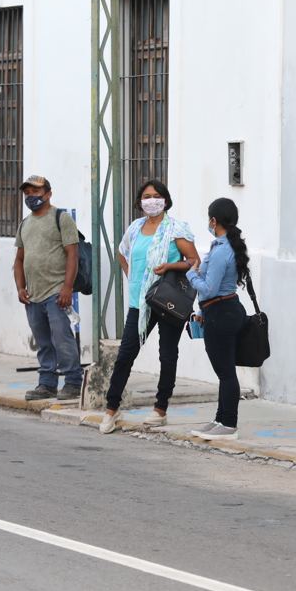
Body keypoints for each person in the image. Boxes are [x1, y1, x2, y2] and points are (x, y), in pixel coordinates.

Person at [100, 180, 199, 434]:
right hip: (139, 302)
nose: (151, 200)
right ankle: (111, 409)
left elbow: (194, 261)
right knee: (125, 355)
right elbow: (122, 253)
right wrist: (133, 278)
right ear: (139, 201)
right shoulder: (135, 228)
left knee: (167, 354)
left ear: (165, 200)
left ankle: (160, 409)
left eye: (156, 196)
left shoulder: (177, 229)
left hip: (168, 301)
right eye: (146, 196)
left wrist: (169, 267)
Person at [13, 175, 82, 401]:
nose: (31, 196)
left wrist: (67, 288)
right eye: (27, 193)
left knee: (62, 339)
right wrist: (20, 287)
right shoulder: (25, 224)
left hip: (56, 292)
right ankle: (47, 384)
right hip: (33, 295)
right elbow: (19, 260)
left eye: (36, 191)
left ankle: (73, 382)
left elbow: (73, 255)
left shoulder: (60, 218)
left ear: (48, 193)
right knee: (43, 342)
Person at [187, 198, 251, 441]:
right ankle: (220, 419)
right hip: (222, 311)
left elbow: (209, 288)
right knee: (225, 370)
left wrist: (191, 274)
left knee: (225, 372)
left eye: (209, 219)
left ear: (214, 221)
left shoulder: (221, 250)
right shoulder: (225, 246)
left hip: (221, 314)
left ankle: (229, 424)